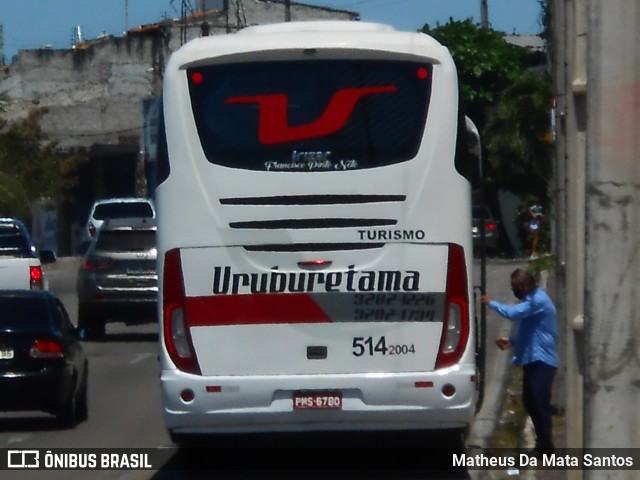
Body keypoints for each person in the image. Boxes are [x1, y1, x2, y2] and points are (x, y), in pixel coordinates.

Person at [481, 268, 558, 455]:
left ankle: (546, 446)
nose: (514, 290)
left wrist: (492, 303)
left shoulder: (538, 300)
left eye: (515, 287)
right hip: (532, 358)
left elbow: (514, 313)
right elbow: (529, 328)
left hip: (543, 360)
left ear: (523, 286)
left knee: (538, 402)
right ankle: (543, 443)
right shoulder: (531, 301)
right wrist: (512, 341)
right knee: (531, 401)